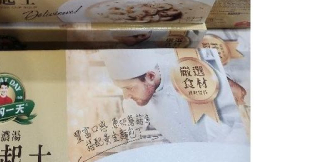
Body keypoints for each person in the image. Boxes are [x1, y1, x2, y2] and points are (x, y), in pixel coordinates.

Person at [101, 49, 247, 143]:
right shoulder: (137, 97)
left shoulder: (192, 69)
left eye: (129, 88)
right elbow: (130, 124)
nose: (126, 96)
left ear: (151, 76)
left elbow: (236, 117)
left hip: (224, 150)